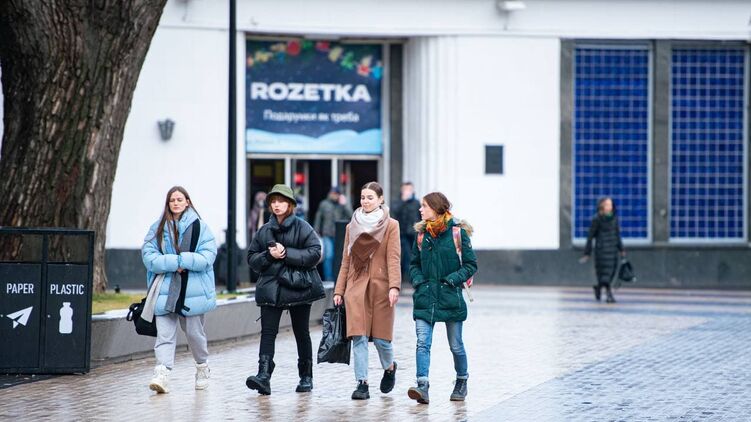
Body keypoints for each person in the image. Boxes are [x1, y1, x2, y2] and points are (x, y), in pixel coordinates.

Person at [246, 184, 326, 395]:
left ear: (290, 204)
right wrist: (268, 255)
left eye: (281, 201)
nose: (277, 205)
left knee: (301, 332)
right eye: (273, 201)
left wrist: (286, 253)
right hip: (271, 287)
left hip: (298, 285)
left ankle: (306, 377)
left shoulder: (303, 227)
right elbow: (251, 258)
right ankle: (263, 376)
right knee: (268, 333)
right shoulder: (264, 230)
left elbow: (315, 253)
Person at [141, 186, 217, 394]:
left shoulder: (201, 227)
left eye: (179, 199)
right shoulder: (157, 227)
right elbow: (149, 256)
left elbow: (208, 256)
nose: (175, 203)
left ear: (187, 202)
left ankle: (202, 366)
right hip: (164, 290)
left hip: (192, 291)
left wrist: (184, 260)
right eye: (172, 200)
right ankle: (162, 373)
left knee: (194, 334)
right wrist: (176, 263)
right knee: (164, 335)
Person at [333, 181, 401, 400]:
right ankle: (362, 383)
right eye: (363, 197)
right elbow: (345, 261)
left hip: (381, 288)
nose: (365, 201)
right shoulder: (351, 226)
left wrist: (394, 286)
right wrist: (339, 290)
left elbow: (393, 258)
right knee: (359, 337)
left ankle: (389, 367)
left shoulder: (391, 225)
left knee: (382, 339)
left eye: (370, 197)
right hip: (356, 287)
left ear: (380, 199)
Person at [407, 192, 477, 404]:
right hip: (425, 296)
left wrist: (452, 280)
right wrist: (419, 281)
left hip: (450, 296)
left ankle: (461, 380)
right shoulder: (422, 235)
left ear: (437, 208)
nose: (420, 210)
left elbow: (470, 265)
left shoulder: (457, 233)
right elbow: (413, 264)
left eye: (424, 206)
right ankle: (422, 385)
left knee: (456, 345)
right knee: (422, 343)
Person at [580, 197, 625, 303]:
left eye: (611, 204)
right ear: (602, 206)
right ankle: (609, 294)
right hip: (601, 250)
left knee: (610, 272)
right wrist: (587, 252)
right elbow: (590, 236)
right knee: (604, 273)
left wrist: (621, 249)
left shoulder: (614, 218)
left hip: (612, 249)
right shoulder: (597, 219)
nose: (610, 207)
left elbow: (617, 234)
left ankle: (598, 288)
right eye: (607, 204)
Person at [314, 186, 353, 281]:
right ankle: (329, 278)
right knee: (328, 256)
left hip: (339, 235)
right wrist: (316, 232)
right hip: (327, 234)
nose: (333, 195)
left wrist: (344, 204)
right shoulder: (324, 204)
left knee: (339, 257)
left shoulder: (342, 205)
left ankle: (338, 278)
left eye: (336, 194)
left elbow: (351, 216)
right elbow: (318, 217)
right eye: (332, 193)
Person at [392, 182, 421, 279]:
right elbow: (394, 212)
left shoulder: (416, 203)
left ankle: (411, 275)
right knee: (406, 254)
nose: (408, 192)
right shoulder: (397, 202)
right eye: (406, 189)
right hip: (402, 233)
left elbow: (420, 216)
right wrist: (403, 201)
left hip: (414, 233)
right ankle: (407, 277)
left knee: (414, 255)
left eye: (410, 189)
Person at [247, 191, 268, 283]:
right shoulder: (253, 212)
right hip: (255, 237)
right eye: (259, 200)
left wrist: (262, 211)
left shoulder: (268, 213)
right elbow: (252, 226)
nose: (261, 202)